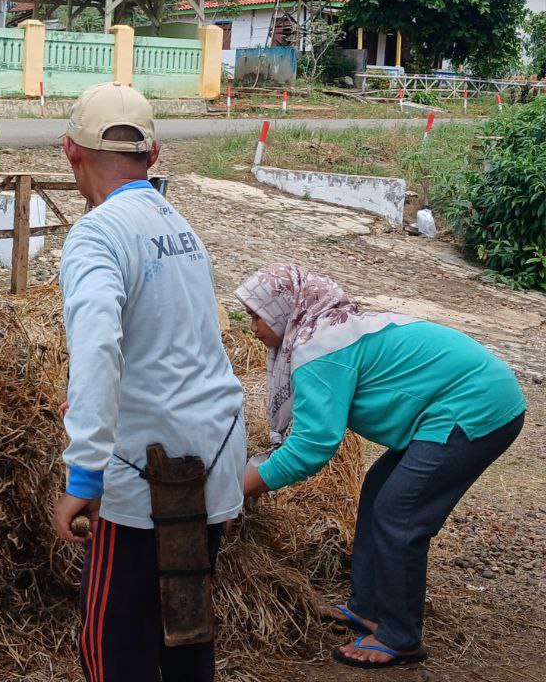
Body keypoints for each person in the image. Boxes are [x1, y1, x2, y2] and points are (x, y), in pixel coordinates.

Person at [236, 264, 526, 670]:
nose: (251, 326)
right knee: (379, 489)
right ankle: (370, 606)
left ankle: (401, 635)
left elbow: (313, 447)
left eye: (256, 315)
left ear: (285, 311)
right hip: (454, 401)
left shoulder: (321, 350)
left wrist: (237, 491)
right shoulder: (324, 330)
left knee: (400, 513)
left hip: (477, 405)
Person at [50, 82, 246, 682]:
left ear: (70, 151)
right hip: (211, 458)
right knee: (185, 631)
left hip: (142, 476)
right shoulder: (179, 226)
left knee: (113, 647)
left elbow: (96, 350)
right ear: (153, 155)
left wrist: (84, 471)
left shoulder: (96, 235)